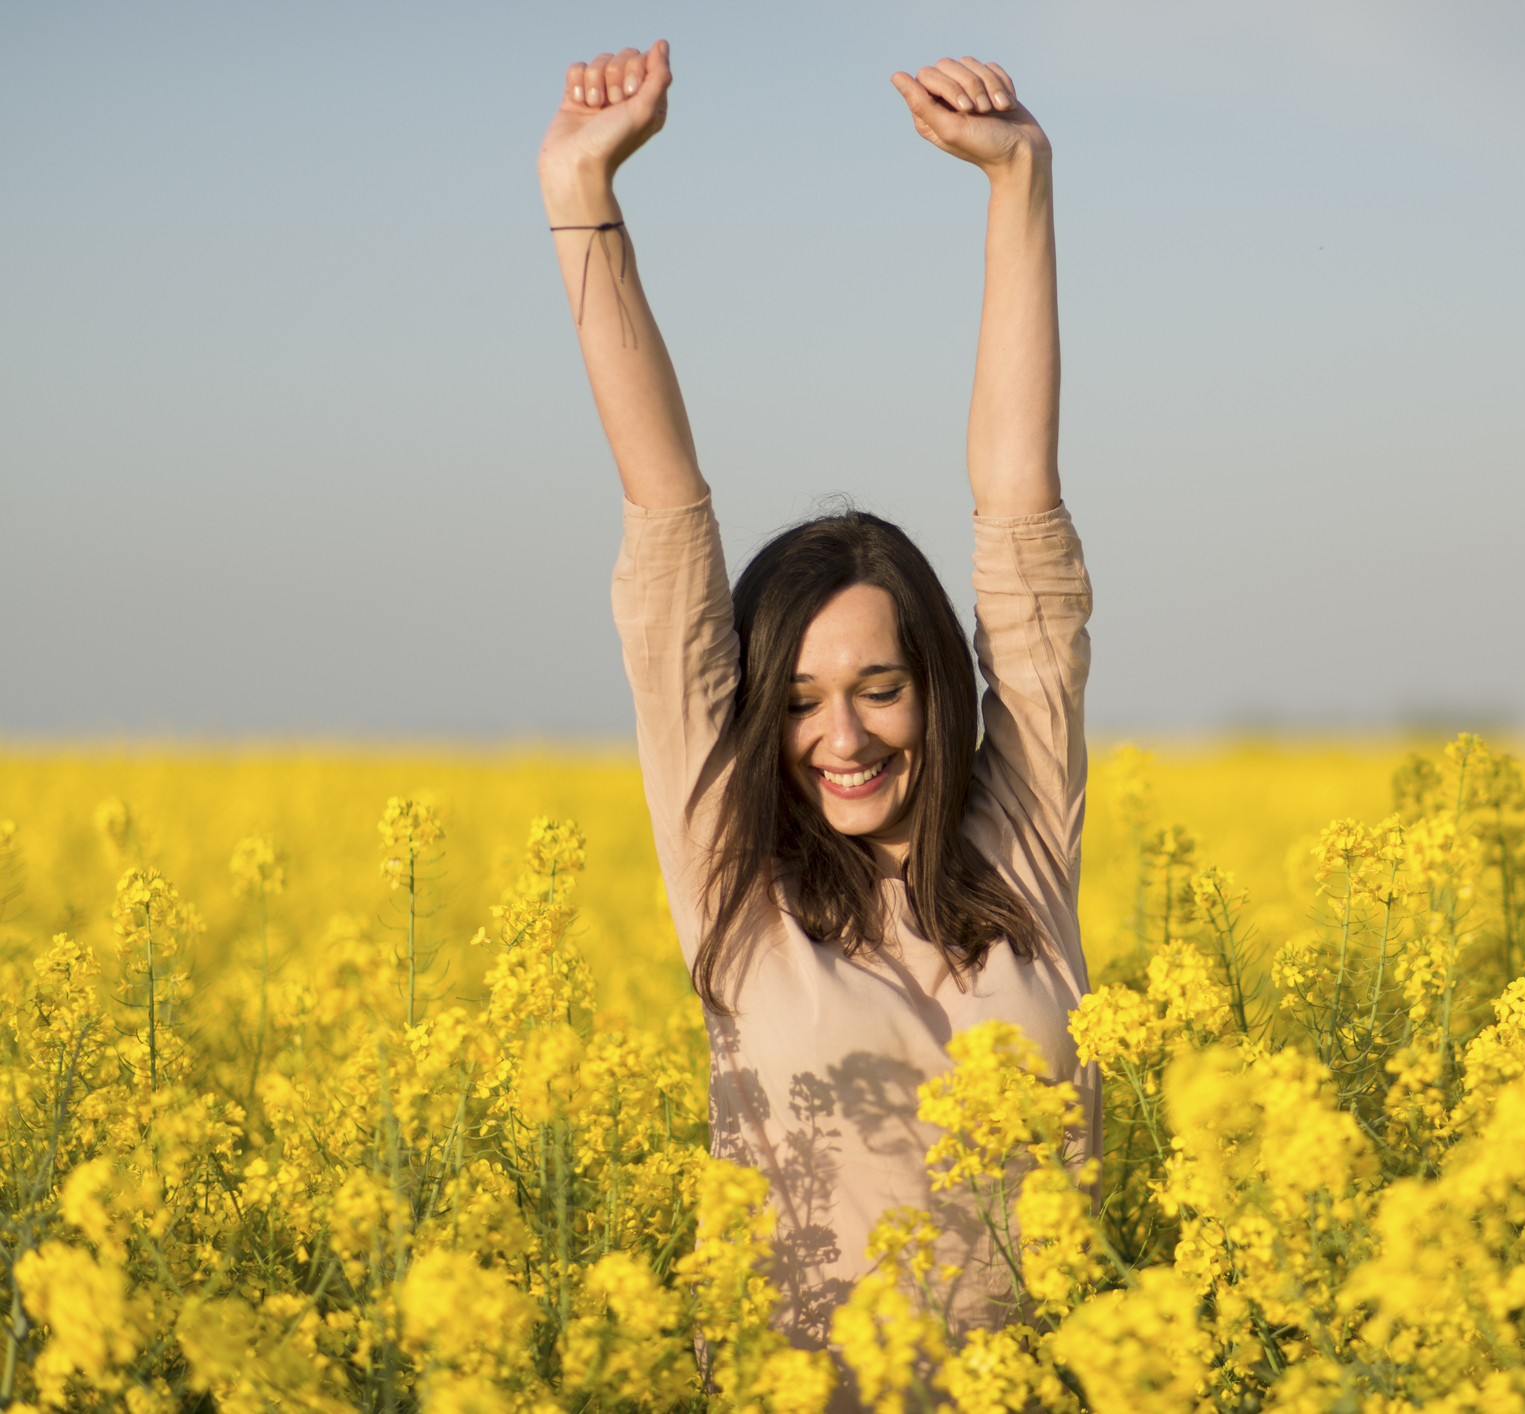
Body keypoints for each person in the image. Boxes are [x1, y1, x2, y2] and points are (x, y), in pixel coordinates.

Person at [536, 39, 1096, 1373]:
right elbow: (668, 522)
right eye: (797, 700)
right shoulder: (739, 888)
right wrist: (580, 195)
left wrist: (1020, 184)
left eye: (880, 687)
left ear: (937, 691)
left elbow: (1022, 519)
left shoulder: (1024, 857)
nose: (841, 736)